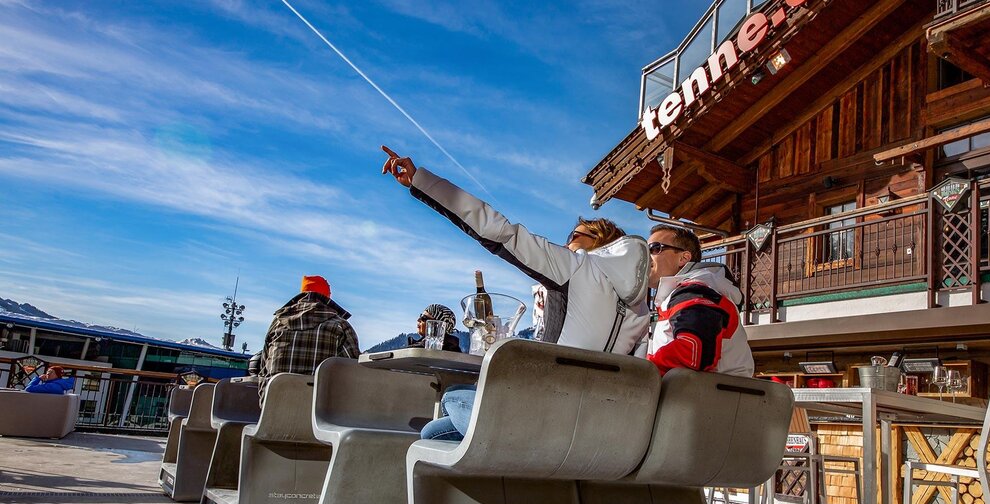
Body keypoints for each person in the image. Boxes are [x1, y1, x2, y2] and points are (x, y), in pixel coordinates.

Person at [381, 146, 650, 442]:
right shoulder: (641, 308)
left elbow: (499, 232)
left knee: (454, 396)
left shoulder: (577, 268)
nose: (567, 241)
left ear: (599, 241)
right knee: (434, 433)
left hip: (541, 422)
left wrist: (421, 180)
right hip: (594, 428)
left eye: (574, 235)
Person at [645, 224, 754, 377]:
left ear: (683, 258)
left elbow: (692, 351)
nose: (645, 255)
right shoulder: (685, 293)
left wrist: (642, 369)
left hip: (706, 398)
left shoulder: (695, 292)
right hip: (705, 396)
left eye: (654, 248)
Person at [257, 275, 361, 401]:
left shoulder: (277, 323)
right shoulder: (339, 326)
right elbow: (354, 370)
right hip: (321, 412)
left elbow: (263, 369)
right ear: (327, 296)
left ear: (302, 293)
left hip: (274, 407)